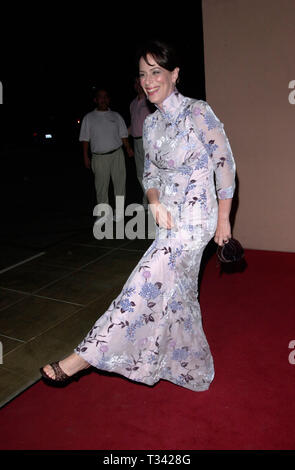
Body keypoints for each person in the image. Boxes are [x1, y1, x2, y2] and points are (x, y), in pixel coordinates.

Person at [40, 40, 236, 392]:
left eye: (156, 72)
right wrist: (155, 201)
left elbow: (225, 165)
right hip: (167, 218)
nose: (148, 80)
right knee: (179, 294)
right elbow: (150, 175)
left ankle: (82, 358)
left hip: (197, 219)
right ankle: (193, 368)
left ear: (174, 75)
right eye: (143, 74)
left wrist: (224, 219)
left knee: (147, 276)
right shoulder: (152, 125)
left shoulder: (198, 111)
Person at [80, 88, 134, 222]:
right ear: (96, 100)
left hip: (117, 154)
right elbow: (85, 139)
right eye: (100, 97)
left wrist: (128, 148)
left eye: (105, 97)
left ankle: (120, 213)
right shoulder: (89, 117)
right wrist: (85, 156)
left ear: (108, 100)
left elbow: (123, 134)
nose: (103, 99)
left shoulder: (116, 116)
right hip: (99, 157)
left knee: (120, 185)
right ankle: (103, 215)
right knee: (101, 187)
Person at [129, 77, 152, 209]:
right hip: (136, 142)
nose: (138, 85)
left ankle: (151, 199)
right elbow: (132, 125)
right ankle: (146, 197)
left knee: (150, 172)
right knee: (140, 173)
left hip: (148, 141)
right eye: (135, 83)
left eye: (139, 82)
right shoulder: (132, 104)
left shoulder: (149, 101)